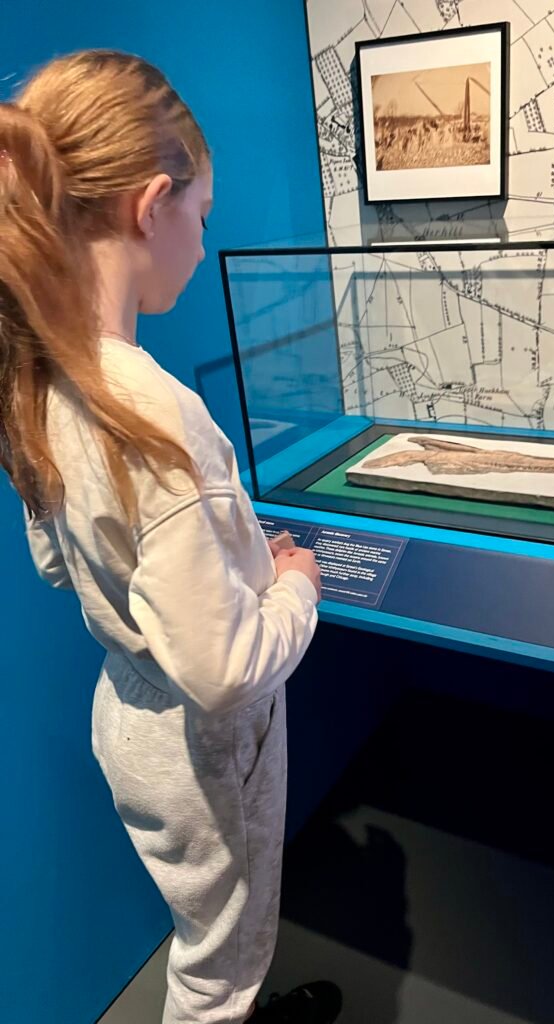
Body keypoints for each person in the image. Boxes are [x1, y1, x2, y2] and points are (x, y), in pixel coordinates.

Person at [0, 50, 342, 1024]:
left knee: (206, 937)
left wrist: (216, 561)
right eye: (202, 215)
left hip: (130, 716)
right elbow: (226, 671)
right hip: (208, 752)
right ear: (153, 206)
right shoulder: (157, 414)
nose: (202, 242)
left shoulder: (38, 378)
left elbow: (58, 562)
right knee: (220, 971)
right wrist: (295, 581)